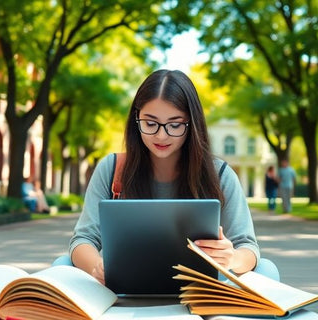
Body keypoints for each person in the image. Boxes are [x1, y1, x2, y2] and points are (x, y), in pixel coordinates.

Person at [65, 69, 279, 284]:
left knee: (267, 270)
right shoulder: (112, 169)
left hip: (201, 291)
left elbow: (248, 247)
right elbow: (83, 239)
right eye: (150, 123)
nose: (161, 135)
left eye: (175, 125)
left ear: (191, 124)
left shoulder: (220, 175)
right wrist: (98, 268)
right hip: (123, 286)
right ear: (136, 119)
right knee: (62, 265)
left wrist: (231, 258)